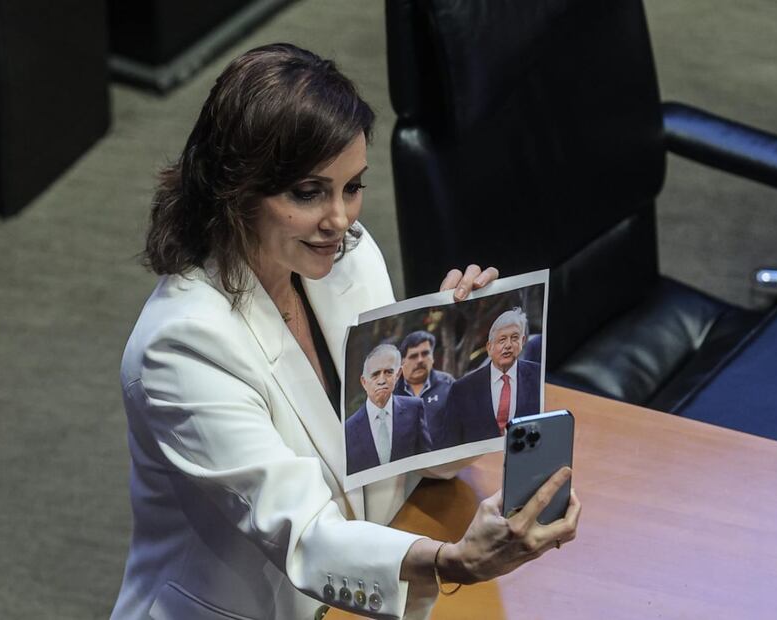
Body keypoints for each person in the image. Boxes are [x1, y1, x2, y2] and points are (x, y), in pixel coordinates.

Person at [112, 43, 579, 620]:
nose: (340, 220)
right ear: (235, 187)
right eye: (309, 193)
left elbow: (395, 458)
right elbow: (305, 532)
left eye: (352, 187)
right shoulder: (182, 347)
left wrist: (454, 360)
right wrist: (452, 561)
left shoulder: (348, 259)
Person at [430, 308, 542, 450]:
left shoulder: (538, 375)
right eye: (502, 340)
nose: (508, 345)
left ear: (522, 341)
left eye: (514, 338)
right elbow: (450, 444)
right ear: (489, 347)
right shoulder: (462, 389)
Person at [346, 344, 432, 475]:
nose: (382, 380)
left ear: (398, 375)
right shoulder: (349, 428)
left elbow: (427, 459)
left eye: (388, 372)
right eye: (375, 374)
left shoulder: (414, 409)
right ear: (364, 382)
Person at [394, 331, 455, 422]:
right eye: (413, 356)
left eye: (425, 354)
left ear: (432, 358)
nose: (420, 360)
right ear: (402, 362)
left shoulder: (447, 384)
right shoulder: (392, 392)